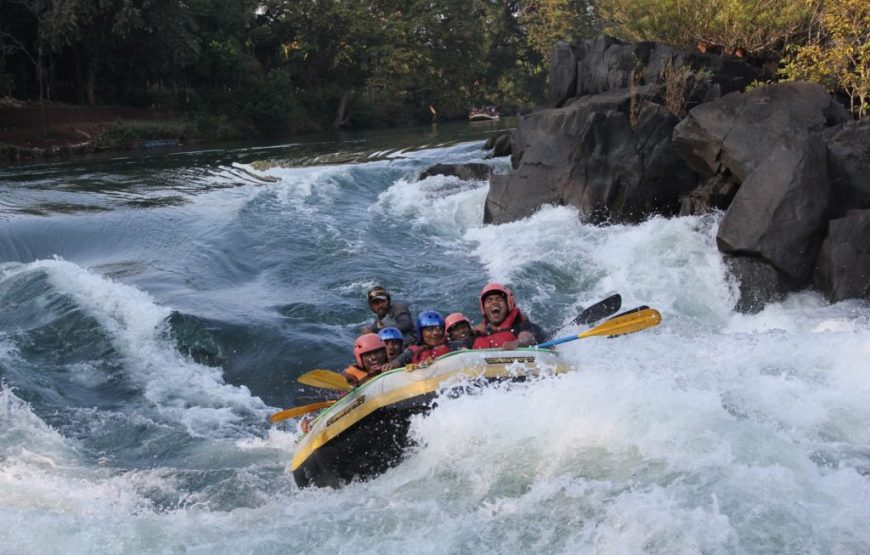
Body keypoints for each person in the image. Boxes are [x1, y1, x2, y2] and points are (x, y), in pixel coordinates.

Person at [472, 282, 545, 350]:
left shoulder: (521, 325)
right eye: (489, 300)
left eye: (499, 299)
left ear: (508, 305)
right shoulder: (480, 331)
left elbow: (528, 339)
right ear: (483, 307)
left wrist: (516, 343)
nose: (494, 303)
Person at [384, 310, 454, 368]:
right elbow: (401, 360)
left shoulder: (451, 345)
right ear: (420, 332)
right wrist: (392, 365)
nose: (436, 333)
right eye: (430, 329)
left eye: (439, 328)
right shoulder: (412, 351)